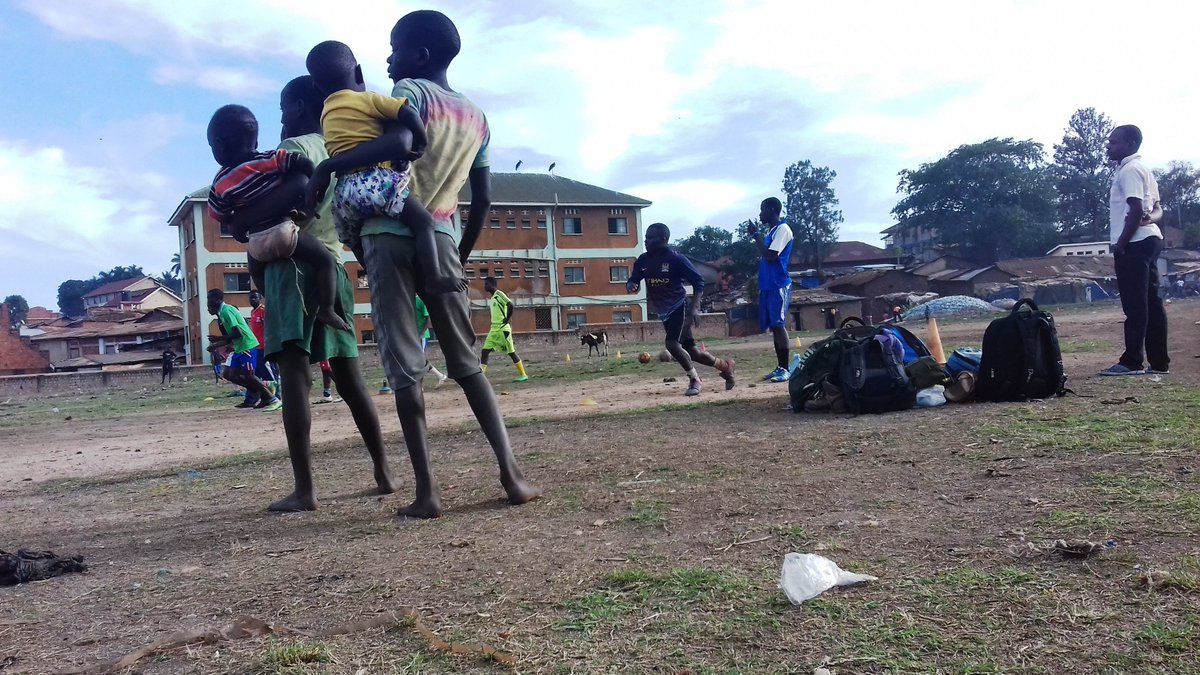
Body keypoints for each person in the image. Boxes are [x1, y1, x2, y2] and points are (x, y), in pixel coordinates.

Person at [320, 9, 539, 518]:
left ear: (418, 56)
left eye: (394, 48)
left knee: (404, 366)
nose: (388, 58)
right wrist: (457, 253)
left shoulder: (408, 96)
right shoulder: (479, 119)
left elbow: (382, 149)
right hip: (440, 234)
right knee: (467, 364)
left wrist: (332, 165)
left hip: (386, 235)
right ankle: (511, 475)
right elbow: (481, 200)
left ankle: (427, 493)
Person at [221, 74, 397, 511]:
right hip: (333, 264)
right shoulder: (339, 146)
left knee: (296, 379)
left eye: (283, 110)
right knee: (351, 379)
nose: (279, 120)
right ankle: (383, 472)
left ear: (299, 108)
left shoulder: (297, 149)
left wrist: (240, 224)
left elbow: (297, 189)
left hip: (289, 269)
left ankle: (305, 490)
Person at [303, 41, 462, 296]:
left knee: (352, 239)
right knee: (422, 221)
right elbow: (407, 115)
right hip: (376, 180)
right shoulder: (367, 100)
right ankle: (434, 276)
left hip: (344, 193)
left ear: (316, 85)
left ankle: (373, 274)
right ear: (359, 73)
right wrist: (420, 141)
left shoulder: (326, 114)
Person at [206, 105, 350, 333]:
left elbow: (219, 214)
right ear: (254, 141)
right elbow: (304, 166)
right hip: (285, 231)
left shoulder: (220, 182)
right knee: (326, 262)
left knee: (256, 273)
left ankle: (271, 305)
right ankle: (327, 308)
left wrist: (237, 221)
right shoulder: (269, 159)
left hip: (256, 245)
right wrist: (309, 195)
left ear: (219, 145)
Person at [627, 223, 735, 396]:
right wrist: (631, 285)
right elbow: (634, 279)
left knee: (671, 344)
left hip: (680, 306)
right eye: (646, 237)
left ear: (663, 239)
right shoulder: (643, 261)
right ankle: (725, 366)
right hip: (664, 312)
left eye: (650, 237)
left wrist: (695, 307)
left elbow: (698, 282)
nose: (646, 240)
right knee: (692, 352)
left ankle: (695, 379)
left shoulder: (676, 259)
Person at [1100, 124, 1169, 376]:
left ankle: (1131, 361)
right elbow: (1157, 208)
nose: (1109, 145)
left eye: (1114, 141)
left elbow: (1136, 208)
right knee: (1152, 301)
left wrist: (1121, 243)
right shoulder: (1143, 170)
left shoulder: (1129, 171)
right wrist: (1151, 218)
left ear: (1130, 144)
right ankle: (1160, 362)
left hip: (1135, 243)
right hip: (1151, 240)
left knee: (1135, 304)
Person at [205, 289, 280, 411]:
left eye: (210, 299)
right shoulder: (221, 315)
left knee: (249, 375)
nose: (208, 303)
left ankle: (272, 398)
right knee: (229, 374)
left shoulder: (226, 311)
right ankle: (260, 390)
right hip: (239, 347)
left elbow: (238, 333)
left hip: (247, 345)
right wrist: (215, 345)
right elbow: (229, 339)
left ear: (218, 300)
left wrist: (218, 339)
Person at [747, 197, 795, 382]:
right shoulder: (772, 231)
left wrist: (755, 235)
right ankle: (780, 367)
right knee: (774, 327)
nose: (760, 214)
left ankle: (785, 369)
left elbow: (771, 256)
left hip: (778, 284)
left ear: (773, 210)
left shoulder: (783, 229)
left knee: (779, 325)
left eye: (763, 209)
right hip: (768, 284)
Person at [480, 277, 528, 382]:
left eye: (486, 284)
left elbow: (510, 305)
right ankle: (480, 377)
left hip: (503, 329)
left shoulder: (499, 294)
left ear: (492, 285)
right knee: (484, 351)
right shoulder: (492, 298)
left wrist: (507, 319)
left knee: (511, 352)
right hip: (494, 330)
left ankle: (523, 374)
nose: (485, 286)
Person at [245, 290, 277, 406]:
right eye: (251, 298)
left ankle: (276, 397)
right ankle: (260, 398)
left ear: (260, 299)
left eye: (255, 298)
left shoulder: (263, 311)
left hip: (265, 346)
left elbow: (270, 327)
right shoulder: (253, 312)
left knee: (269, 372)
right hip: (256, 347)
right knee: (257, 373)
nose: (252, 300)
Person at [416, 294, 448, 387]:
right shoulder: (408, 300)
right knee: (418, 359)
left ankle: (419, 385)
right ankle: (440, 376)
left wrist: (422, 333)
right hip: (412, 336)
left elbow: (428, 318)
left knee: (419, 360)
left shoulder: (420, 300)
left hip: (421, 336)